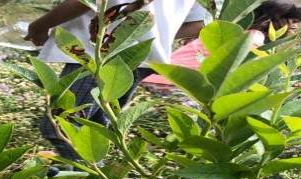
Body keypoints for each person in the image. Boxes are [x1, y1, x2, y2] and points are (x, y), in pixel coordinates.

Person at [24, 1, 209, 162]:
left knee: (60, 124)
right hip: (143, 56)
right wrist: (148, 32)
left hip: (98, 54)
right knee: (95, 130)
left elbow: (83, 2)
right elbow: (199, 24)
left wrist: (39, 26)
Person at [143, 0, 301, 87]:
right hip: (179, 87)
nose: (295, 26)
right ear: (272, 18)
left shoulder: (232, 33)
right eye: (293, 20)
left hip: (159, 79)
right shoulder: (252, 37)